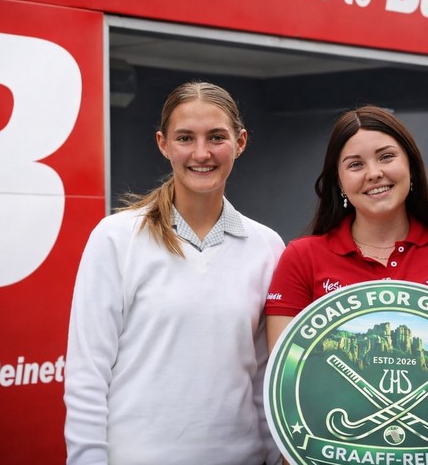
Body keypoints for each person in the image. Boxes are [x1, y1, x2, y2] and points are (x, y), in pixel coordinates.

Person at [64, 81, 284, 464]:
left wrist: (274, 455)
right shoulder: (117, 238)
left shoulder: (267, 247)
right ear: (163, 144)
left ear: (240, 142)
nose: (201, 153)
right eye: (185, 138)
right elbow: (87, 375)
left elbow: (267, 377)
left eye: (216, 137)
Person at [266, 105, 428, 349]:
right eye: (355, 165)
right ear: (339, 181)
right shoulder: (301, 258)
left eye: (386, 157)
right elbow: (286, 364)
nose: (374, 173)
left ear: (411, 165)